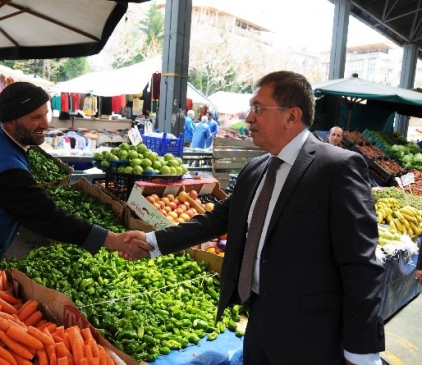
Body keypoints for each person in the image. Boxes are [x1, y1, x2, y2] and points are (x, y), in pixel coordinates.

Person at [123, 71, 385, 364]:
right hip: (259, 319)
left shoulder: (337, 167)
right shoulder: (256, 170)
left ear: (291, 116)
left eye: (258, 108)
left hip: (311, 333)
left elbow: (361, 264)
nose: (249, 118)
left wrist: (360, 352)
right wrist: (150, 241)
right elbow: (213, 221)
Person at [0, 82, 152, 271]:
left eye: (46, 114)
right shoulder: (7, 171)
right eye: (35, 117)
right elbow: (48, 218)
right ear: (10, 121)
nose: (45, 124)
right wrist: (112, 240)